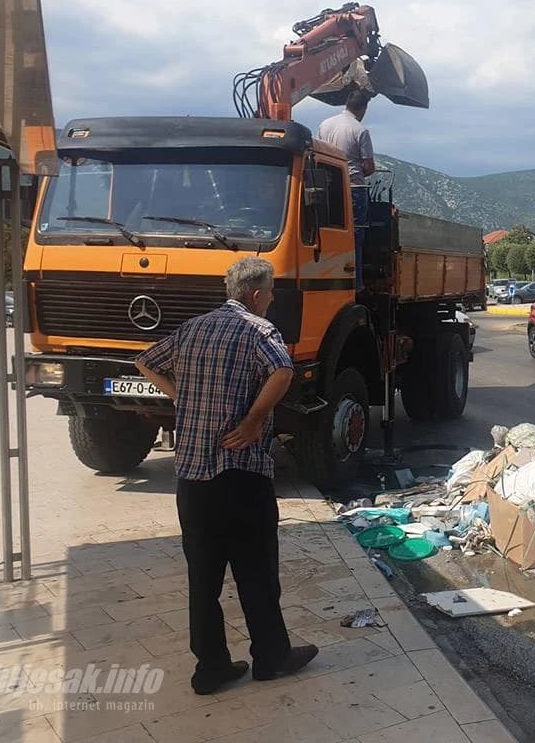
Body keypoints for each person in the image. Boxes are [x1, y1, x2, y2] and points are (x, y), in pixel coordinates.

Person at [135, 257, 317, 695]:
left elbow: (145, 361)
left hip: (193, 479)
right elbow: (284, 370)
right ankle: (271, 658)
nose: (271, 301)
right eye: (271, 293)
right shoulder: (259, 330)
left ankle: (211, 668)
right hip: (240, 474)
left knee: (204, 580)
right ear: (256, 295)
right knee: (256, 572)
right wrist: (255, 419)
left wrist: (185, 399)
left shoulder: (194, 328)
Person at [316, 89, 376, 289]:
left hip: (327, 187)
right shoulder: (359, 130)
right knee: (355, 236)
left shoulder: (325, 125)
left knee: (327, 232)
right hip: (354, 187)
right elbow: (369, 167)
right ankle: (355, 282)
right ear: (363, 108)